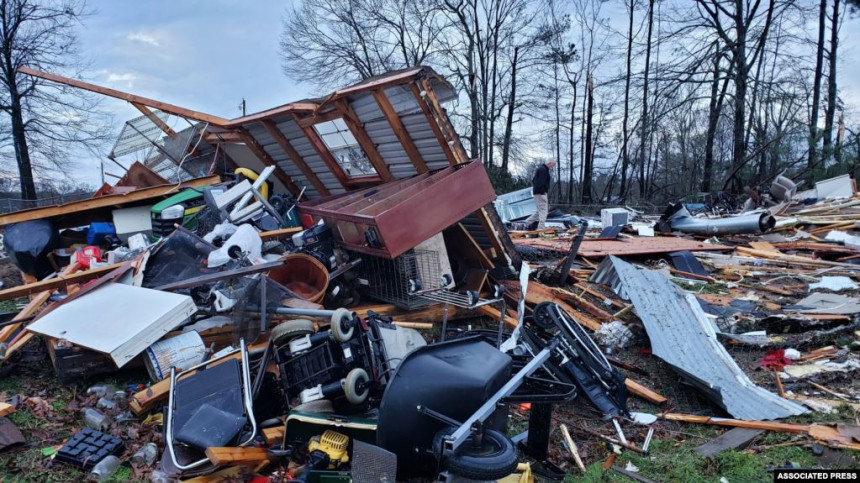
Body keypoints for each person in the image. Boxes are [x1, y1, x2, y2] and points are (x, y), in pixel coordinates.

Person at [524, 159, 556, 230]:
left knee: (539, 211)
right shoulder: (544, 170)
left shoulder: (541, 169)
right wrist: (542, 193)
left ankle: (526, 223)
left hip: (537, 193)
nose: (552, 167)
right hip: (540, 193)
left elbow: (534, 180)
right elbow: (540, 183)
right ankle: (541, 229)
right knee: (544, 211)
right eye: (553, 165)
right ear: (549, 163)